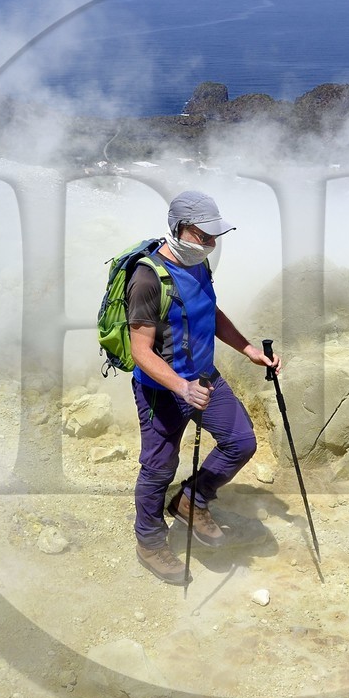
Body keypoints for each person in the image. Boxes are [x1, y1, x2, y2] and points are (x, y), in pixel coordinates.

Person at [127, 190, 277, 584]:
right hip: (162, 389)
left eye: (214, 236)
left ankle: (191, 501)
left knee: (241, 441)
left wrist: (247, 349)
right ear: (179, 229)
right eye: (203, 235)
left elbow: (209, 309)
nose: (211, 243)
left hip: (205, 377)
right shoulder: (147, 278)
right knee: (158, 469)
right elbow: (140, 351)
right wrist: (181, 387)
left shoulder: (199, 263)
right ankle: (150, 542)